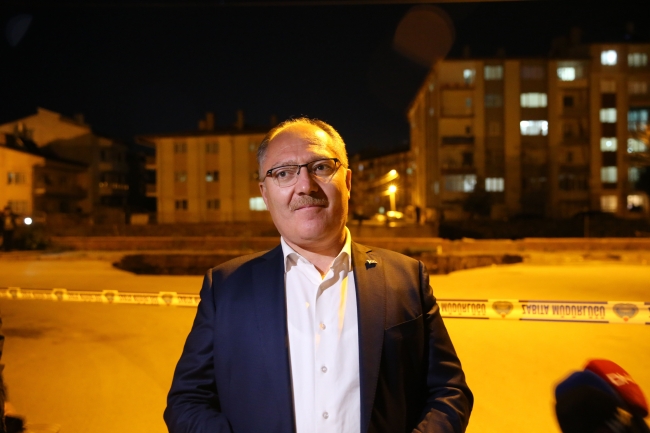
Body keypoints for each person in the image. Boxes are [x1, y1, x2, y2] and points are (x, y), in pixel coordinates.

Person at [164, 118, 473, 433]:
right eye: (283, 173)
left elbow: (449, 392)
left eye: (321, 167)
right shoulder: (226, 288)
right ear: (265, 194)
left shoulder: (406, 279)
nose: (305, 186)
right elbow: (187, 401)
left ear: (347, 182)